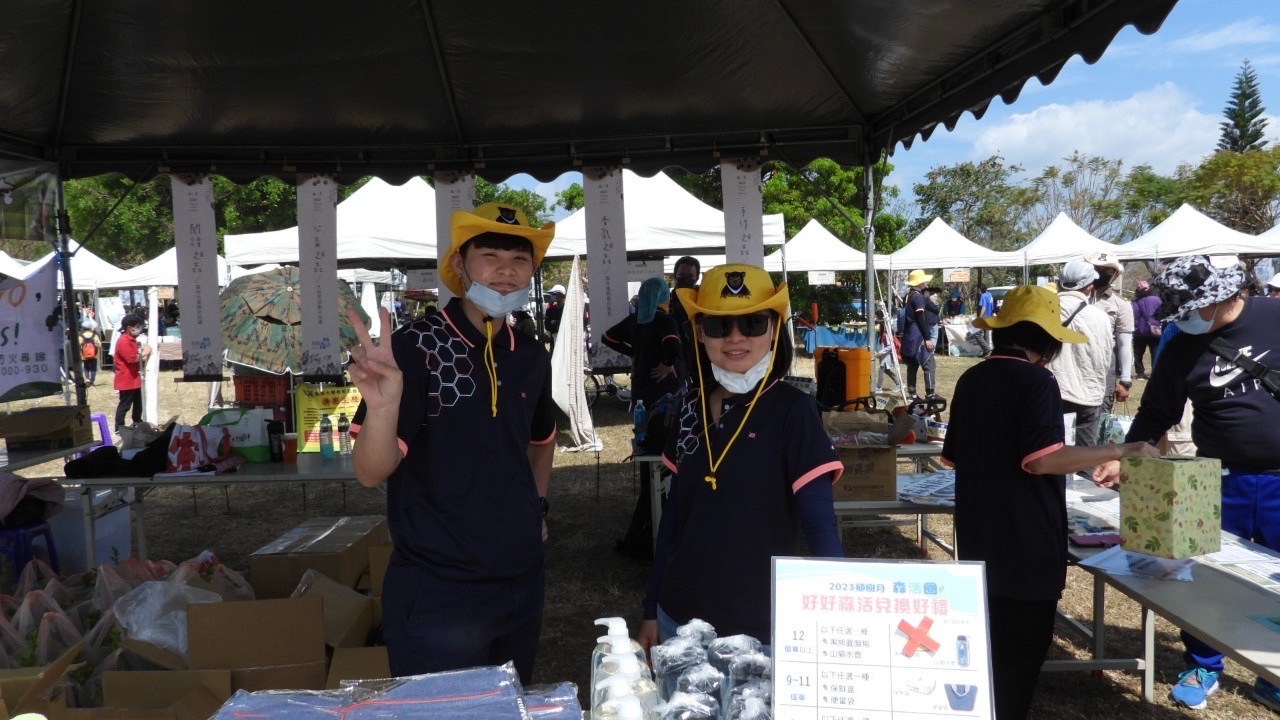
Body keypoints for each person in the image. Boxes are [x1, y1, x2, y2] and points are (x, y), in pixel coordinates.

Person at [346, 202, 557, 685]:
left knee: (506, 706)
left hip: (521, 579)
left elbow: (541, 440)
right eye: (490, 256)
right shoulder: (416, 347)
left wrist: (537, 508)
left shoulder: (529, 353)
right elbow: (370, 472)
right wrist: (383, 408)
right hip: (439, 587)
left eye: (520, 259)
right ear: (460, 264)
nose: (506, 270)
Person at [941, 285, 1158, 720]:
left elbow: (954, 456)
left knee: (987, 656)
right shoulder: (1037, 381)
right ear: (1047, 339)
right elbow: (1043, 460)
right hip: (1026, 546)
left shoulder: (972, 378)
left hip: (979, 537)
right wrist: (1122, 450)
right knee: (1017, 667)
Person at [1095, 254, 1280, 713]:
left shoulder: (1274, 317)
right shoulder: (1180, 345)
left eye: (1190, 310)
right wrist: (1124, 457)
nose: (1183, 320)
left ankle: (1271, 671)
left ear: (1219, 297)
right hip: (1216, 477)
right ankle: (1203, 664)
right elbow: (1156, 411)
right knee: (1203, 574)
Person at [637, 263, 843, 651]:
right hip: (679, 620)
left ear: (774, 329)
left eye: (752, 323)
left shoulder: (793, 411)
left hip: (761, 629)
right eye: (719, 325)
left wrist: (841, 619)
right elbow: (675, 519)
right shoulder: (690, 407)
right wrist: (652, 607)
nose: (735, 337)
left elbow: (820, 527)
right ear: (699, 332)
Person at [1046, 260, 1114, 448]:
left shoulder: (1045, 311)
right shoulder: (1100, 317)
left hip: (1051, 391)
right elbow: (1106, 358)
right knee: (1084, 457)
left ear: (1059, 284)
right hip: (1087, 395)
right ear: (1089, 287)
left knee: (1048, 452)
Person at [1084, 252, 1135, 411]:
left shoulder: (1120, 305)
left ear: (1114, 274)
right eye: (1096, 268)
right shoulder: (1079, 298)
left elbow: (1124, 344)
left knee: (1100, 410)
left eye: (1107, 270)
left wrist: (1125, 380)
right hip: (1076, 360)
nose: (1100, 272)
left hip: (1104, 363)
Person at [901, 269, 940, 399]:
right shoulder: (917, 297)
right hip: (918, 334)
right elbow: (920, 318)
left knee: (913, 364)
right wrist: (927, 338)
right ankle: (930, 393)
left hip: (909, 335)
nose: (926, 283)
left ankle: (912, 393)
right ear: (920, 282)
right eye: (924, 281)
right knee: (929, 363)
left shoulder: (908, 296)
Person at [112, 314, 150, 433]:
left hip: (135, 378)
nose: (139, 329)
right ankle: (119, 427)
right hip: (126, 379)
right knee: (125, 405)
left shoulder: (132, 340)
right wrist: (144, 352)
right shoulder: (123, 340)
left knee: (138, 403)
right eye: (137, 326)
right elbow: (131, 358)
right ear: (129, 328)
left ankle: (137, 422)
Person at [668, 255, 701, 369]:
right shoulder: (666, 301)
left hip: (700, 359)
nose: (686, 279)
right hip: (673, 362)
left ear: (697, 278)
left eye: (690, 276)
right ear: (675, 276)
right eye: (682, 275)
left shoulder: (703, 301)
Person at [1131, 280, 1163, 379]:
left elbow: (1133, 317)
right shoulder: (1157, 300)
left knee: (1138, 354)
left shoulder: (1134, 303)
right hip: (1154, 330)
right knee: (1155, 352)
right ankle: (1155, 372)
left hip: (1139, 331)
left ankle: (1140, 373)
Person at [78, 320, 100, 386]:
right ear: (90, 328)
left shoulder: (81, 336)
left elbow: (78, 345)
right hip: (94, 355)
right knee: (93, 368)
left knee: (86, 367)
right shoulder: (94, 335)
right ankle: (92, 381)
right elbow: (99, 344)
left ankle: (87, 379)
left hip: (84, 355)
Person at [974, 284, 994, 357]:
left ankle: (987, 350)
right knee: (985, 334)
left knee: (977, 334)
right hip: (989, 317)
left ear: (979, 289)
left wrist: (979, 318)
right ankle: (986, 352)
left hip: (984, 318)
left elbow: (984, 308)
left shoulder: (983, 296)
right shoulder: (989, 294)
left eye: (977, 289)